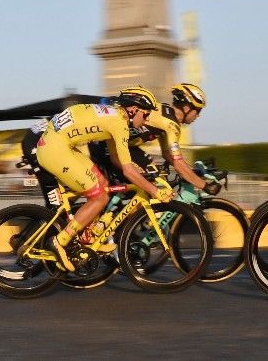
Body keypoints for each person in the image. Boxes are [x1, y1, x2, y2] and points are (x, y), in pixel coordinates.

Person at [22, 87, 171, 271]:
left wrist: (141, 175)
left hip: (58, 143)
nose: (147, 120)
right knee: (100, 196)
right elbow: (127, 170)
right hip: (55, 149)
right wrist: (156, 191)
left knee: (103, 184)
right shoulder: (119, 124)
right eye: (145, 114)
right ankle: (60, 241)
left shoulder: (115, 115)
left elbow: (116, 158)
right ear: (133, 109)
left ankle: (86, 236)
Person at [118, 83, 218, 195]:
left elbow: (167, 154)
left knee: (157, 177)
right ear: (186, 108)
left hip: (130, 148)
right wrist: (205, 186)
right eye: (198, 111)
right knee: (151, 181)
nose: (198, 116)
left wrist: (192, 171)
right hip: (117, 147)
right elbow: (177, 163)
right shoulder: (171, 124)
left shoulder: (167, 113)